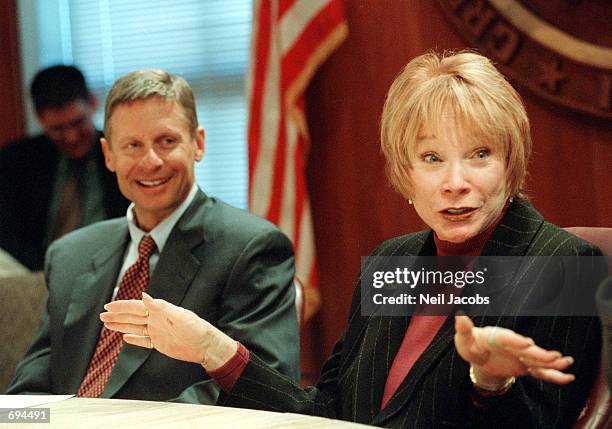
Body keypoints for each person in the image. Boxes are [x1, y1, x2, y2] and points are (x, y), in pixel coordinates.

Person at [100, 52, 605, 427]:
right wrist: (211, 348)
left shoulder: (561, 265)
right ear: (405, 172)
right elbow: (328, 414)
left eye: (479, 154)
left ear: (511, 162)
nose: (455, 181)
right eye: (432, 158)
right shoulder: (396, 263)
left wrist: (491, 384)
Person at [7, 69, 299, 403]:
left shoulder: (251, 247)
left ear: (198, 144)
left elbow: (262, 385)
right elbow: (28, 395)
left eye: (167, 141)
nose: (151, 161)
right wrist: (22, 422)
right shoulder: (70, 254)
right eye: (132, 145)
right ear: (109, 155)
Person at [0, 65, 130, 271]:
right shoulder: (15, 161)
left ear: (93, 103)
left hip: (109, 268)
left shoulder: (124, 155)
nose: (71, 137)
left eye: (78, 123)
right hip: (39, 271)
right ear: (40, 118)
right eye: (58, 129)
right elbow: (7, 235)